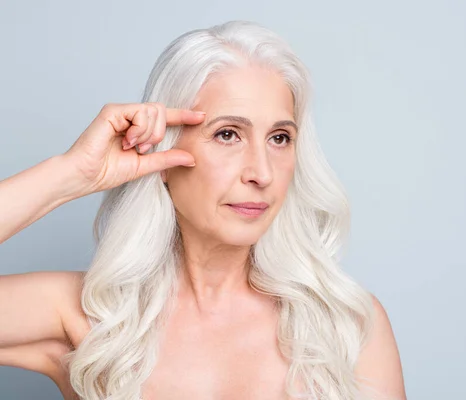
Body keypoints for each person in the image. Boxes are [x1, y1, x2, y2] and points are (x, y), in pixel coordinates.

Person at [0, 20, 406, 400]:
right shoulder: (89, 316)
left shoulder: (347, 326)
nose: (262, 173)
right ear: (162, 152)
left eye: (280, 138)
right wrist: (72, 174)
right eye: (228, 134)